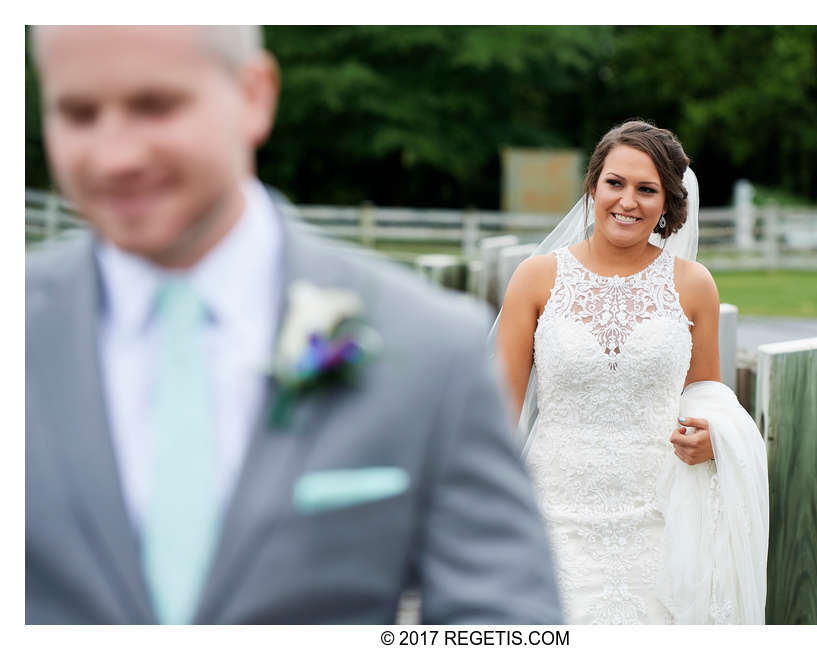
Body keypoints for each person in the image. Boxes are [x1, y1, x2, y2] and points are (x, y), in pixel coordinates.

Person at [26, 25, 562, 625]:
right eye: (77, 114)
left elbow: (507, 626)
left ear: (254, 96)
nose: (115, 155)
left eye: (156, 107)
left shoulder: (432, 347)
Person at [493, 119, 769, 624]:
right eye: (615, 183)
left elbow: (706, 395)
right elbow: (496, 413)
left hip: (657, 518)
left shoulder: (694, 285)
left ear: (668, 203)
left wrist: (715, 439)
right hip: (552, 510)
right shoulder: (536, 278)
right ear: (593, 185)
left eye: (647, 189)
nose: (628, 201)